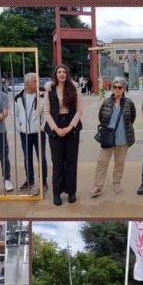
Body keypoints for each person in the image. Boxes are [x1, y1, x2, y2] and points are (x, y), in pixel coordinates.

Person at [44, 65, 83, 205]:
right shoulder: (49, 90)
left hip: (71, 126)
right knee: (58, 162)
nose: (61, 74)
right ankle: (57, 193)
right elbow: (46, 112)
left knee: (71, 162)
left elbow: (79, 111)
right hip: (55, 126)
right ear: (55, 74)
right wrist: (55, 128)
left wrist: (69, 127)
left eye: (64, 72)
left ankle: (71, 192)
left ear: (67, 74)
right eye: (59, 72)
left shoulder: (74, 89)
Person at [92, 77, 136, 198]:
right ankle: (97, 186)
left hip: (123, 139)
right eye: (115, 87)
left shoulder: (129, 103)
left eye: (119, 87)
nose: (117, 89)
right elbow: (101, 117)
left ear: (124, 89)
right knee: (102, 162)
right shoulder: (106, 102)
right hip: (108, 138)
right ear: (112, 88)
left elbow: (132, 118)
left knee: (119, 163)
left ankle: (116, 183)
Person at [14, 72, 48, 194]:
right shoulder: (18, 97)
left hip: (39, 132)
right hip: (24, 133)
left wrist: (42, 127)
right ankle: (30, 180)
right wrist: (20, 127)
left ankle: (43, 181)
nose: (38, 83)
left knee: (41, 157)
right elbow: (15, 114)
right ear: (27, 83)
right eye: (35, 81)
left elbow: (45, 113)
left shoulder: (42, 96)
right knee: (27, 158)